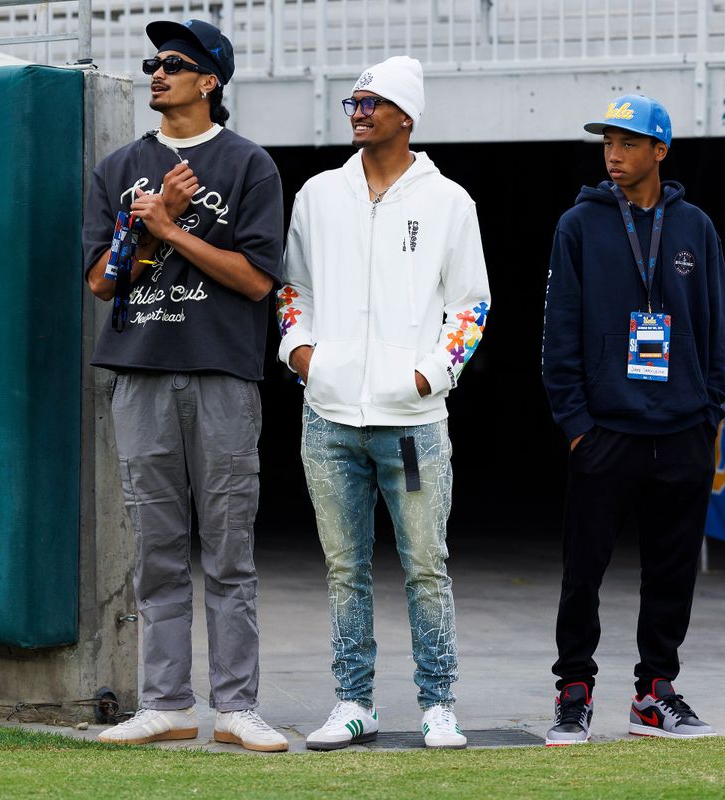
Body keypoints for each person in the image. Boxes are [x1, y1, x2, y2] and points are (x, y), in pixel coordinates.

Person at [83, 18, 287, 752]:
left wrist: (171, 228)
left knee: (229, 550)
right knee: (156, 551)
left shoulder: (248, 164)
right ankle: (166, 703)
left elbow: (257, 280)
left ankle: (237, 707)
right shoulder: (119, 168)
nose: (157, 73)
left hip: (222, 374)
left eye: (173, 63)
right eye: (152, 63)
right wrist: (146, 227)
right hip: (140, 373)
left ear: (210, 81)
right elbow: (102, 282)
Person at [276, 56, 491, 751]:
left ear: (406, 115)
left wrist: (429, 376)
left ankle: (439, 704)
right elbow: (294, 289)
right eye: (354, 102)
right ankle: (353, 702)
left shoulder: (449, 201)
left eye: (372, 103)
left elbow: (471, 305)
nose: (359, 113)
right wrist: (301, 354)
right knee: (345, 569)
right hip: (328, 418)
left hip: (412, 426)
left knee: (426, 565)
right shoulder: (318, 195)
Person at [541, 94, 725, 744]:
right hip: (606, 431)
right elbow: (559, 330)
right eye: (607, 143)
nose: (613, 155)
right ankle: (573, 691)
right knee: (583, 571)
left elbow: (717, 325)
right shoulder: (579, 225)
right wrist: (576, 424)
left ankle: (655, 693)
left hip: (682, 431)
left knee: (672, 571)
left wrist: (708, 413)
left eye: (627, 143)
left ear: (659, 150)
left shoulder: (696, 227)